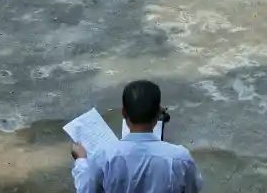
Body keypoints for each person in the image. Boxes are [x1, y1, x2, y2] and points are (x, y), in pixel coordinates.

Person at [71, 79, 201, 193]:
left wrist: (81, 160)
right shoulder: (180, 158)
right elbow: (192, 189)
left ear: (124, 113)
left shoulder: (103, 157)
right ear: (158, 113)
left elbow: (86, 190)